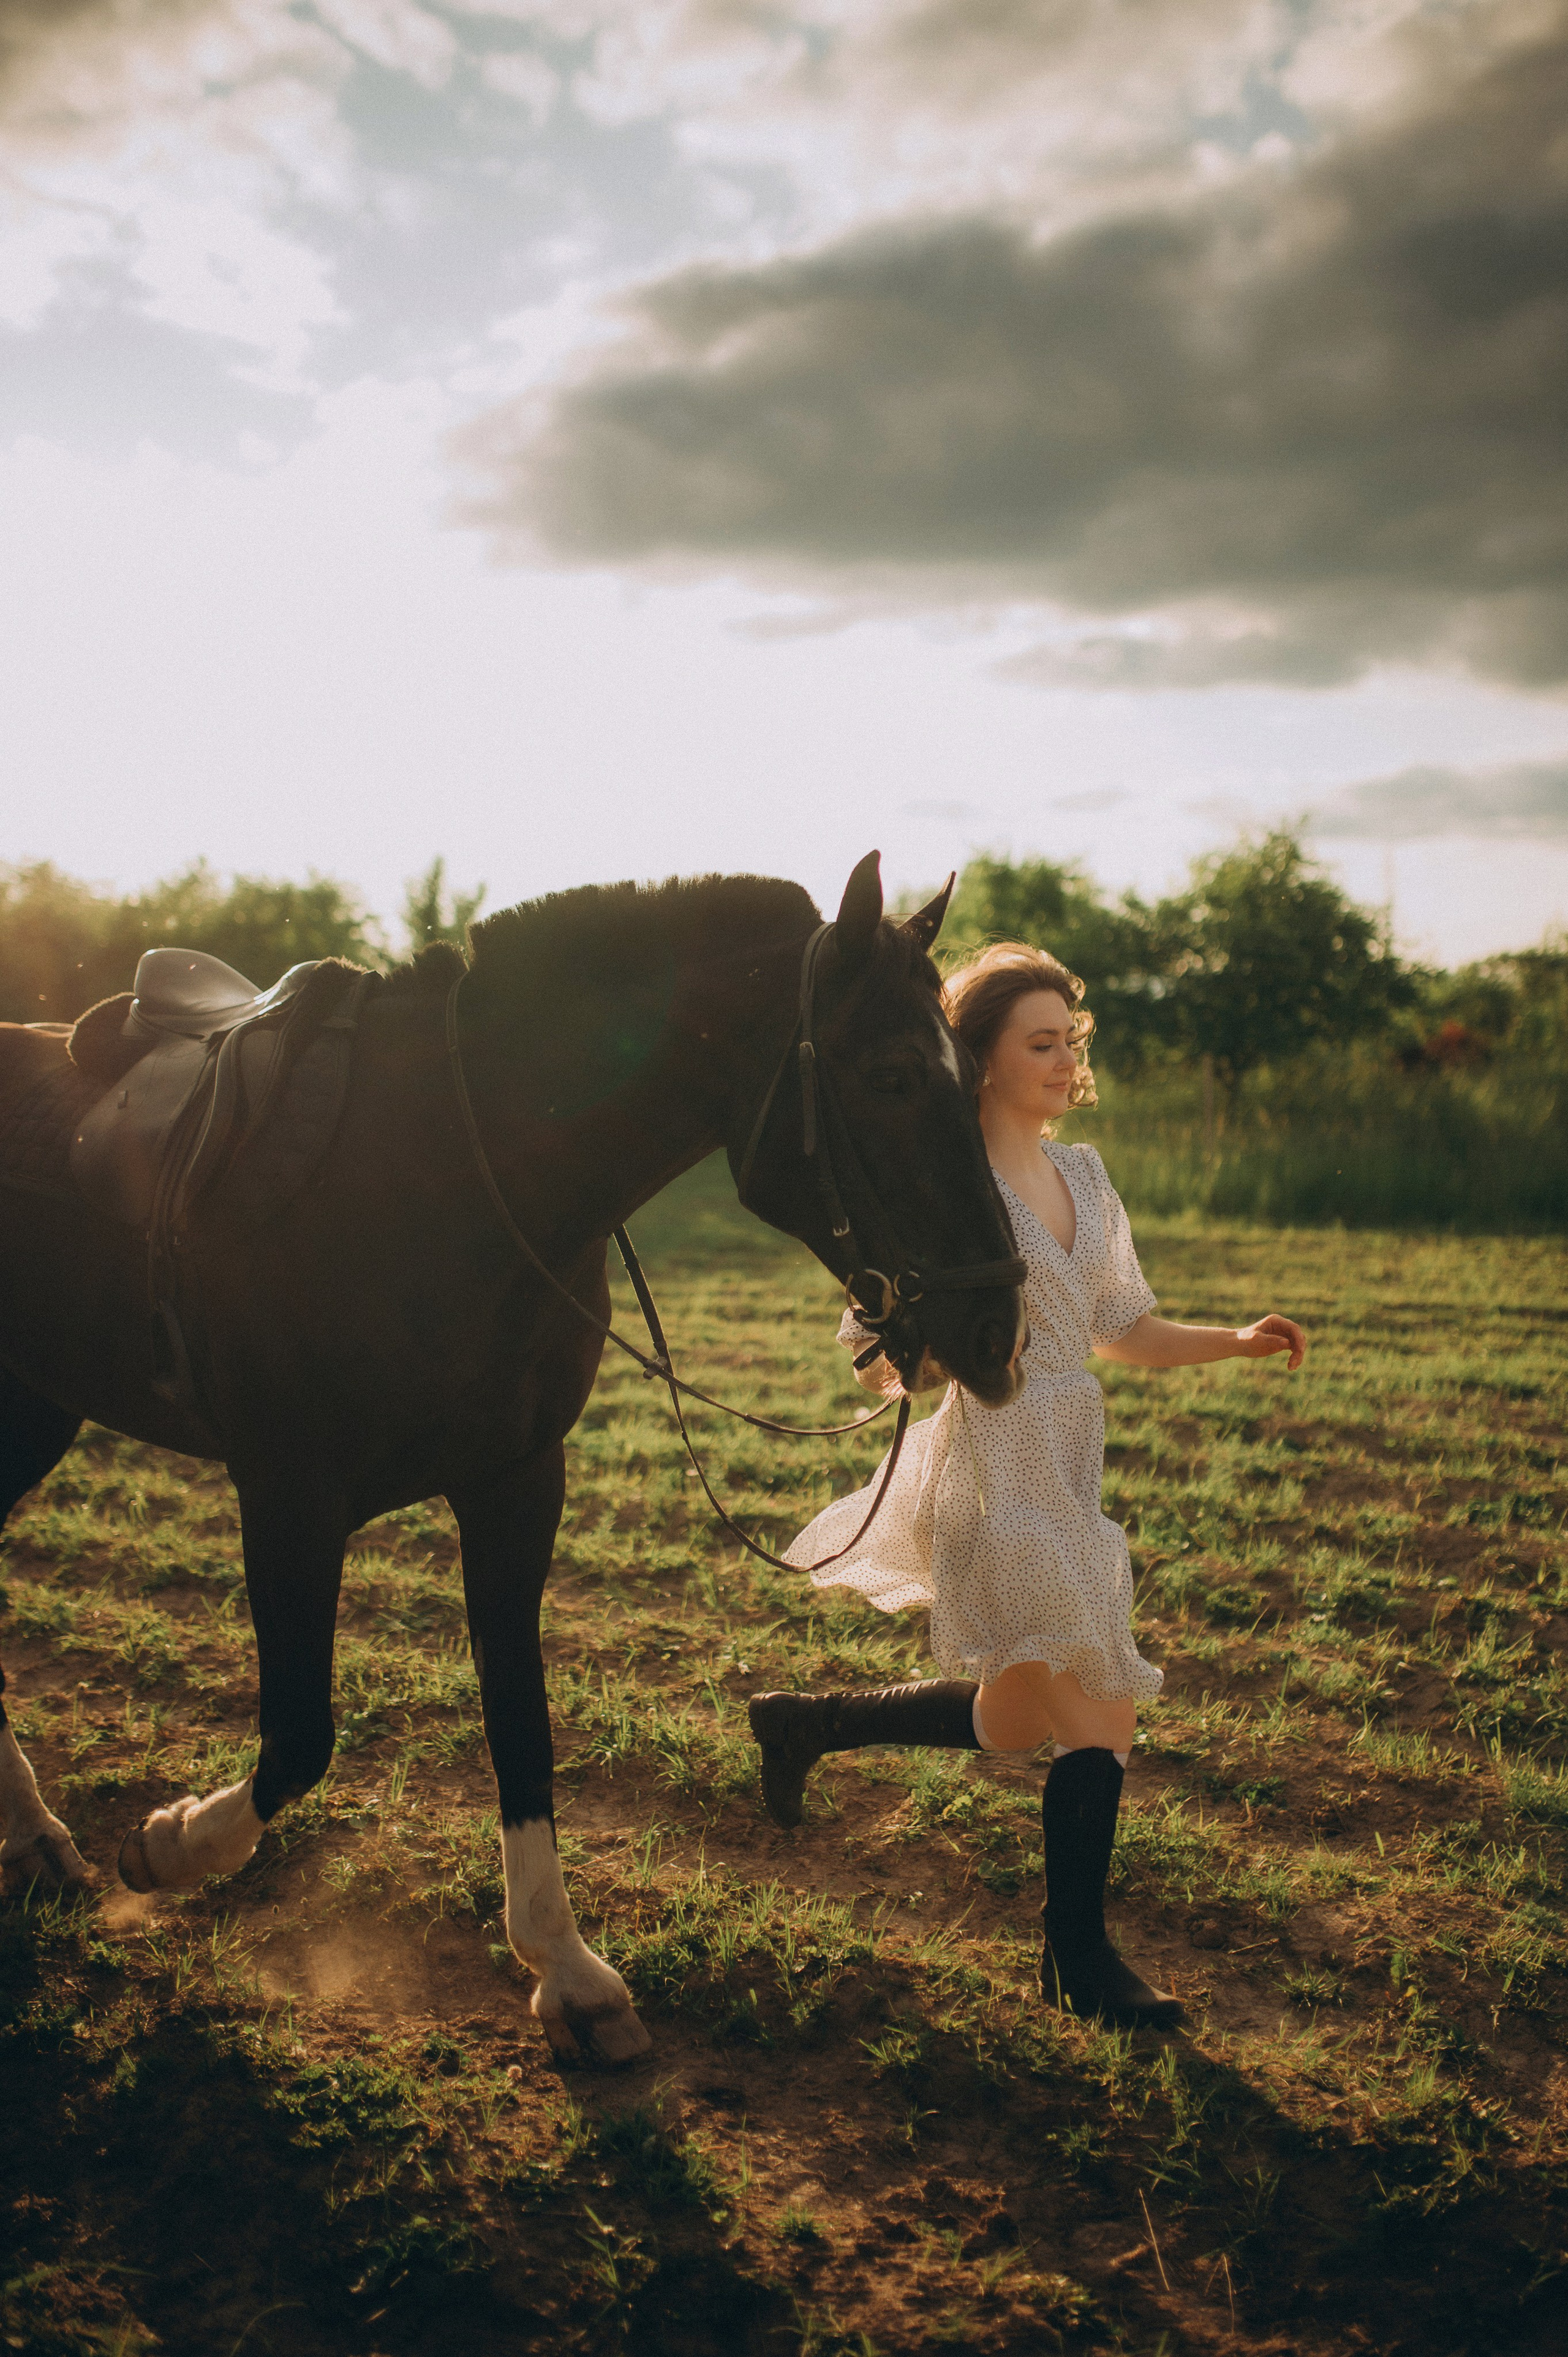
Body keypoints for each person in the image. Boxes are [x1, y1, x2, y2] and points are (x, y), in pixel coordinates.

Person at [748, 941, 1305, 2027]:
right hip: (991, 1462)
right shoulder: (946, 1175)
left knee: (1012, 1720)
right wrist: (920, 1350)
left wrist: (1233, 1342)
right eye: (1040, 1043)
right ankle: (1077, 1961)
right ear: (986, 1060)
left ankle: (809, 1722)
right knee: (1100, 1718)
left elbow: (1121, 1328)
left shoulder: (1086, 1176)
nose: (1064, 1061)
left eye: (1071, 1041)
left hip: (1067, 1454)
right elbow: (872, 1347)